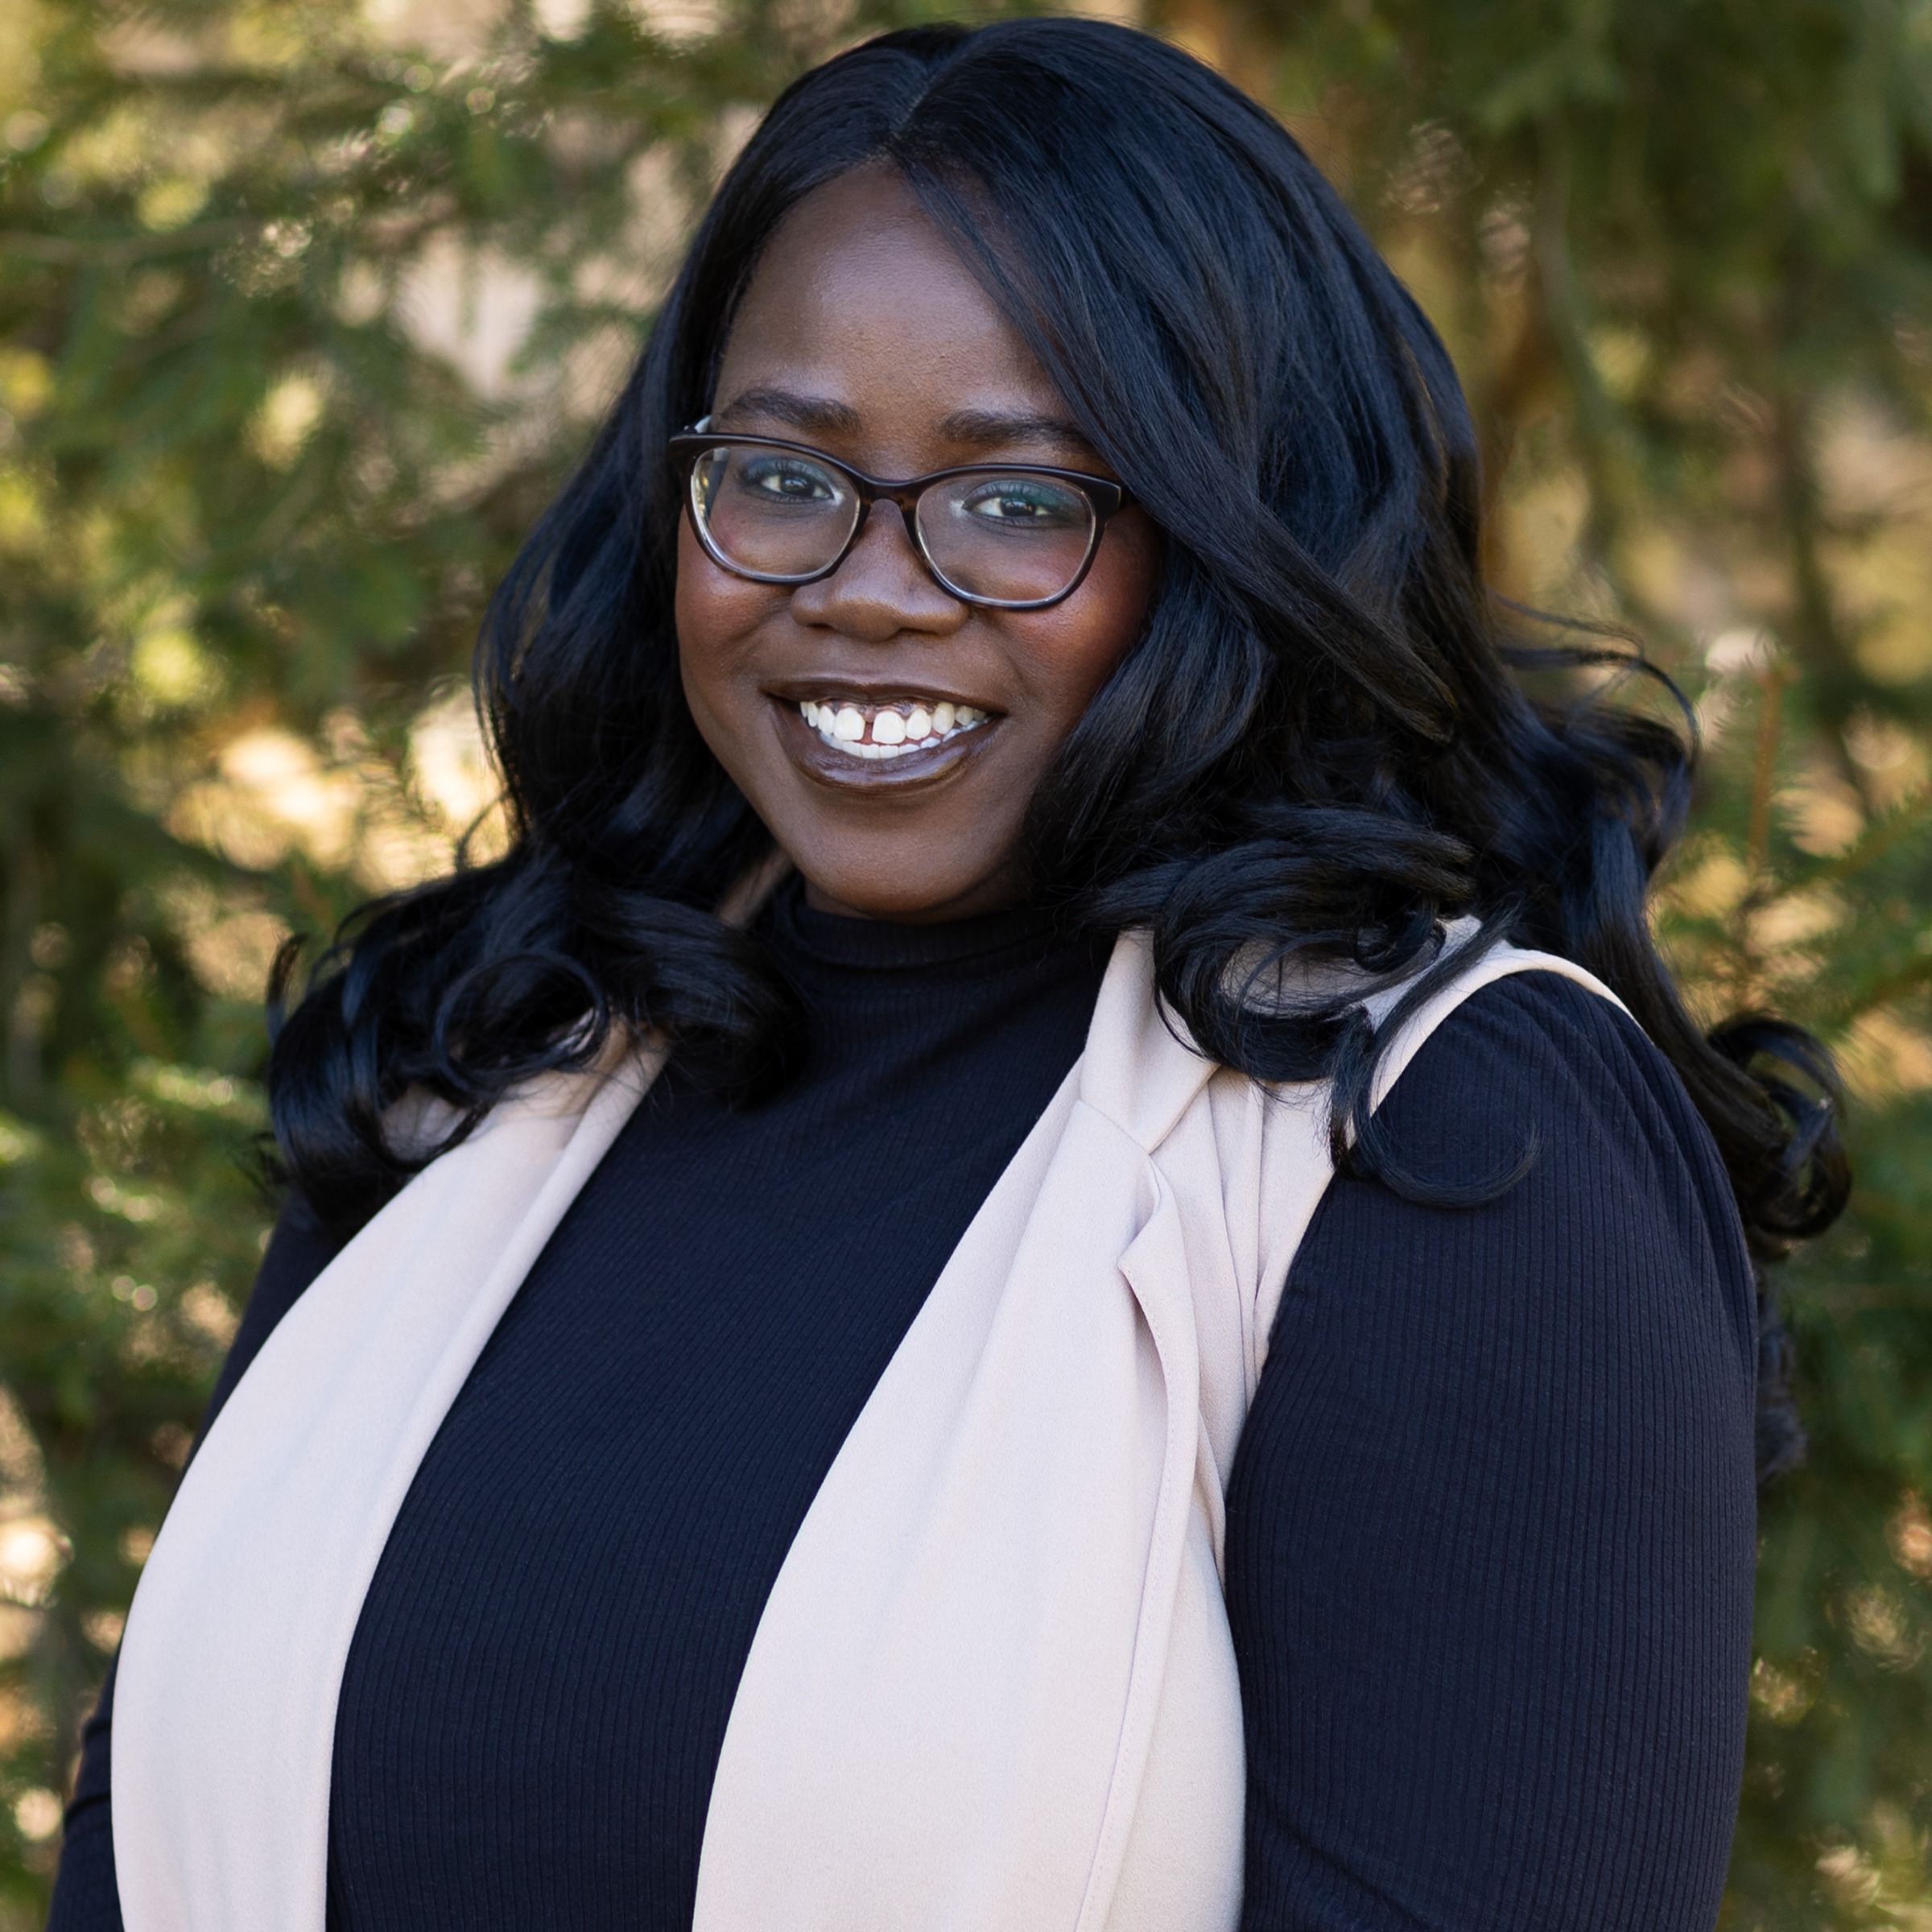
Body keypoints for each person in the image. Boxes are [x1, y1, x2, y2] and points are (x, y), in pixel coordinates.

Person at [48, 19, 1846, 1932]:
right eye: (782, 474)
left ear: (1241, 535)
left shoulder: (1443, 1142)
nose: (871, 587)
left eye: (1018, 502)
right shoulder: (490, 1056)